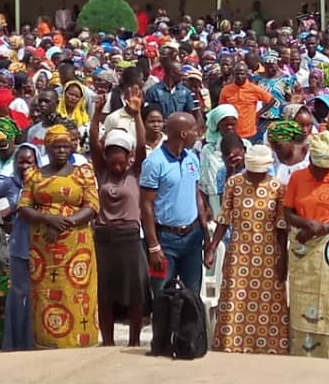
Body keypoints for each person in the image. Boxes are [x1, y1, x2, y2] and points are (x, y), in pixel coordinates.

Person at [17, 124, 100, 349]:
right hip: (43, 249)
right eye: (56, 147)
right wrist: (47, 220)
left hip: (77, 246)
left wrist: (65, 223)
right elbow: (24, 208)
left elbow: (92, 206)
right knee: (46, 295)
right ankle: (47, 342)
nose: (62, 151)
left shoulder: (83, 173)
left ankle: (81, 341)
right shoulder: (34, 175)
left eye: (66, 146)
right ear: (47, 148)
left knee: (77, 292)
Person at [207, 144, 289, 354]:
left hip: (269, 254)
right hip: (239, 253)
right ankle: (232, 345)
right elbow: (224, 219)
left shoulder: (277, 188)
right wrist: (212, 247)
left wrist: (283, 259)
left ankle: (267, 347)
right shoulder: (234, 184)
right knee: (236, 298)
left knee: (268, 302)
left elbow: (281, 227)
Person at [284, 131, 329, 359]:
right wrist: (307, 225)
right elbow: (287, 212)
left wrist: (322, 228)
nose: (323, 172)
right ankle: (305, 352)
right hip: (303, 245)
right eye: (319, 167)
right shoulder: (297, 178)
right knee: (304, 300)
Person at [89, 88, 150, 347]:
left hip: (129, 237)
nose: (118, 166)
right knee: (105, 293)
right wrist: (97, 116)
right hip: (103, 238)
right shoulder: (101, 171)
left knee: (135, 293)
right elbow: (94, 143)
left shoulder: (135, 172)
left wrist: (136, 115)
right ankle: (108, 341)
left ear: (128, 158)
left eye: (121, 161)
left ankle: (134, 340)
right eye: (112, 161)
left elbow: (141, 145)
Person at [140, 112, 211, 294]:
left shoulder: (192, 158)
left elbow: (197, 197)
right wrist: (153, 246)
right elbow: (146, 206)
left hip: (192, 238)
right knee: (161, 292)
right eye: (194, 130)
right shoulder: (154, 163)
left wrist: (206, 235)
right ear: (183, 134)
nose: (197, 134)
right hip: (165, 240)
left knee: (192, 293)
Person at [0, 142, 39, 351]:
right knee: (19, 294)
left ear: (37, 162)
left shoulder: (44, 183)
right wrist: (4, 219)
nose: (25, 165)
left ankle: (36, 340)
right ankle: (16, 343)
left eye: (29, 161)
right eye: (21, 161)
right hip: (18, 245)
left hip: (41, 246)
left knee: (38, 295)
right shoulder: (7, 184)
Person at [219, 62, 274, 143]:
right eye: (237, 74)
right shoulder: (226, 90)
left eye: (242, 74)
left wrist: (258, 114)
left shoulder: (254, 89)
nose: (239, 76)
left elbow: (271, 100)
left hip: (249, 132)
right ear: (233, 75)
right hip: (232, 132)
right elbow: (222, 109)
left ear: (247, 74)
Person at [199, 105, 239, 216]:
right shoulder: (207, 149)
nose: (230, 128)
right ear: (217, 125)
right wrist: (206, 205)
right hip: (214, 199)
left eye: (233, 124)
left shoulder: (244, 145)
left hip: (240, 197)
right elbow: (203, 180)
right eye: (226, 125)